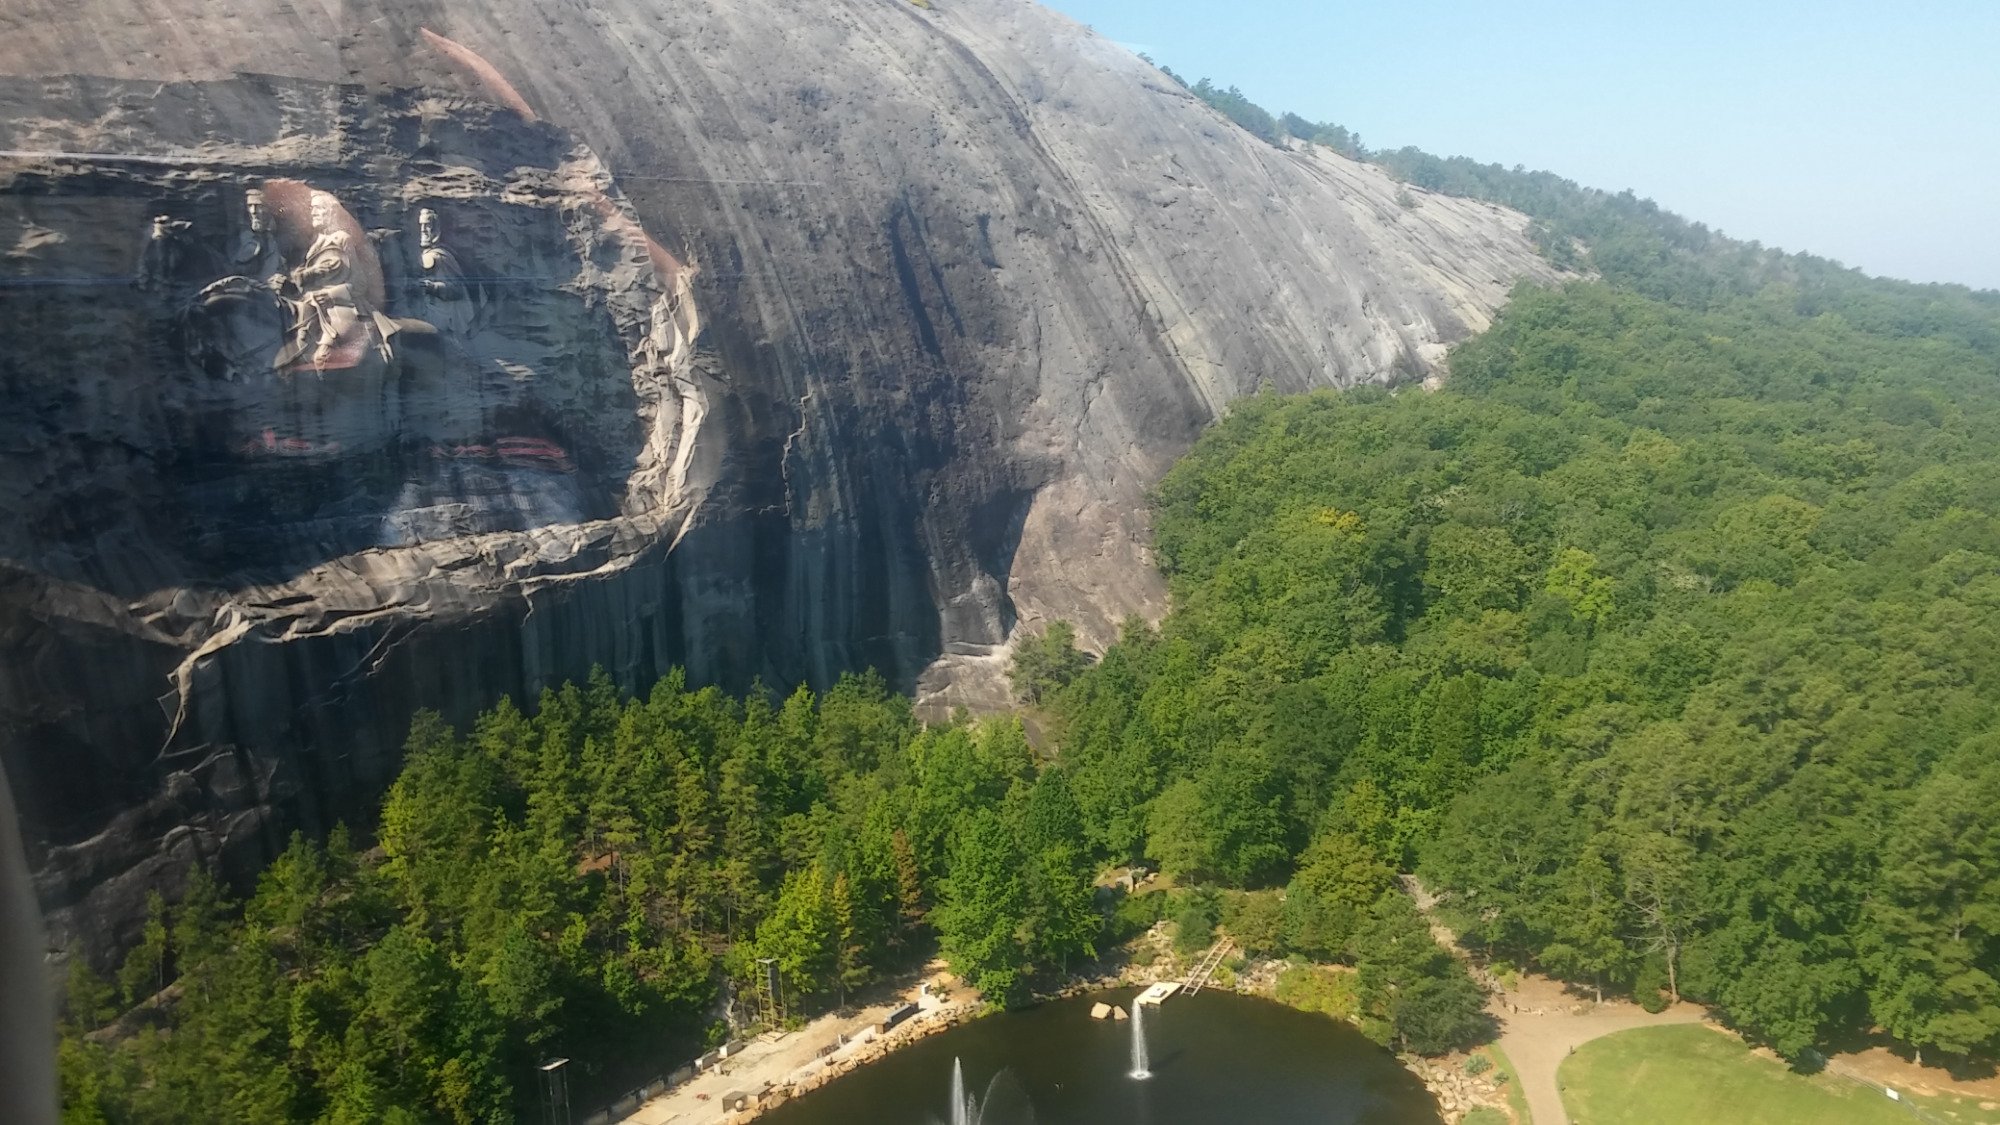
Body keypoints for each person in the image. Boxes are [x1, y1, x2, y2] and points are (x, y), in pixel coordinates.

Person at [273, 190, 380, 368]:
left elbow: (360, 283)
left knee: (323, 358)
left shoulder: (342, 239)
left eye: (318, 208)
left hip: (340, 307)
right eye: (312, 208)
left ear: (331, 213)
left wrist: (330, 294)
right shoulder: (315, 244)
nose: (313, 212)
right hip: (311, 306)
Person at [226, 187, 284, 283]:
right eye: (249, 206)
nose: (253, 211)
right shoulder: (238, 242)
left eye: (259, 206)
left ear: (270, 209)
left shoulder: (280, 239)